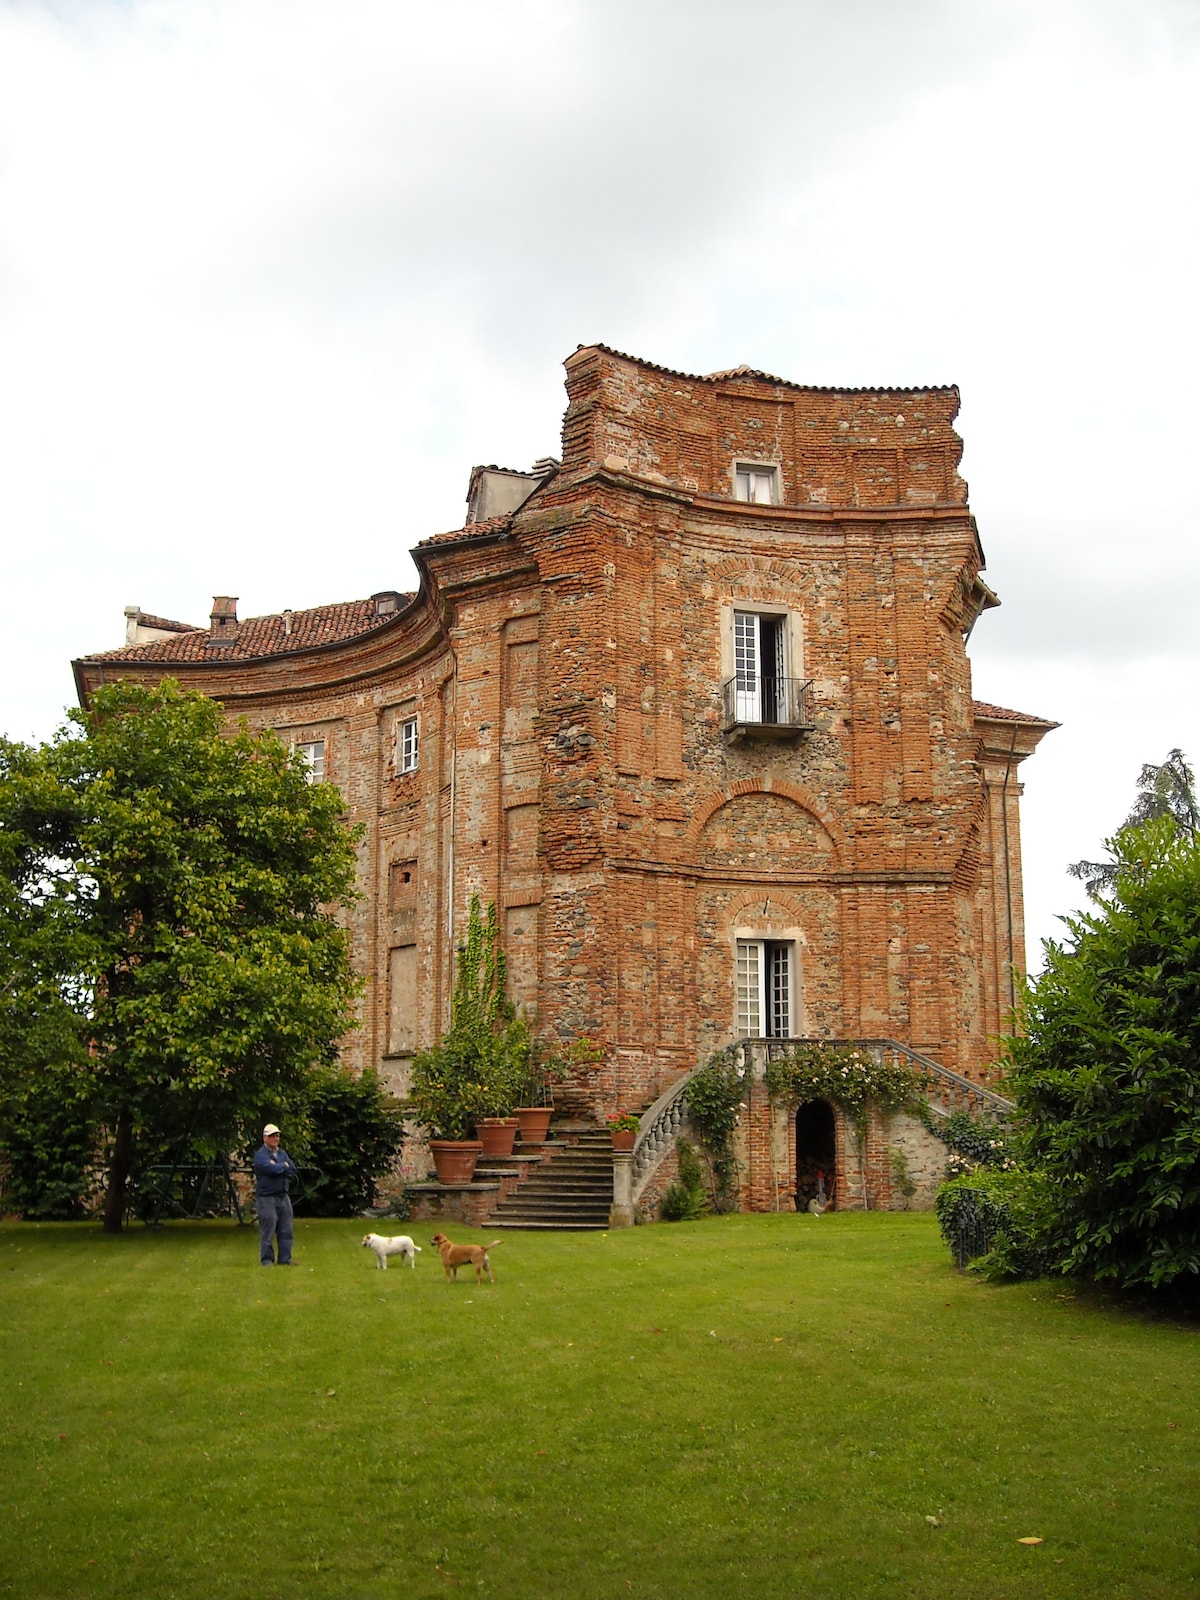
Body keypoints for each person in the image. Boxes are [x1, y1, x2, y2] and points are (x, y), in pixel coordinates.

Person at [254, 1123, 298, 1265]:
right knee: (268, 1230)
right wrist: (281, 1166)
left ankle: (285, 1259)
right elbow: (271, 1170)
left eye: (277, 1136)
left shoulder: (281, 1153)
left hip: (283, 1196)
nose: (276, 1138)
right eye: (272, 1136)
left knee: (286, 1230)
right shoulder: (261, 1155)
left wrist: (280, 1166)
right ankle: (267, 1260)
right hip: (267, 1197)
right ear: (265, 1138)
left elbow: (292, 1169)